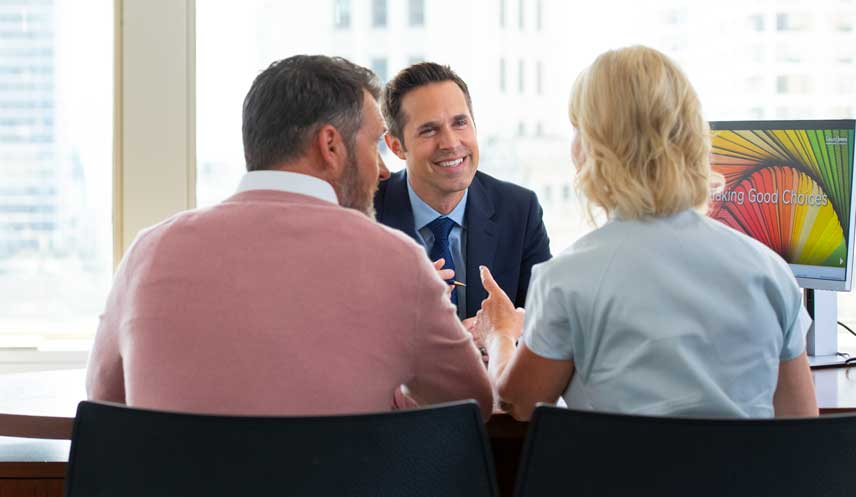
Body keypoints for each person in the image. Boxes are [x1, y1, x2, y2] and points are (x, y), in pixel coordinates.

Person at [86, 55, 493, 419]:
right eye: (374, 144)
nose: (384, 170)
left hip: (175, 484)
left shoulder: (148, 252)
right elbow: (471, 403)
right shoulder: (396, 259)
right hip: (342, 484)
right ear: (330, 146)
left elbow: (104, 402)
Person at [475, 46, 818, 421]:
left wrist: (500, 334)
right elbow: (800, 424)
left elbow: (520, 406)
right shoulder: (770, 272)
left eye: (577, 129)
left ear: (595, 148)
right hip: (745, 464)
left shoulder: (566, 280)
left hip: (620, 463)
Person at [374, 62, 552, 320]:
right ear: (396, 146)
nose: (450, 143)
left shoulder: (519, 210)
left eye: (460, 123)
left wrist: (500, 335)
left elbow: (545, 325)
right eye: (429, 130)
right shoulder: (364, 214)